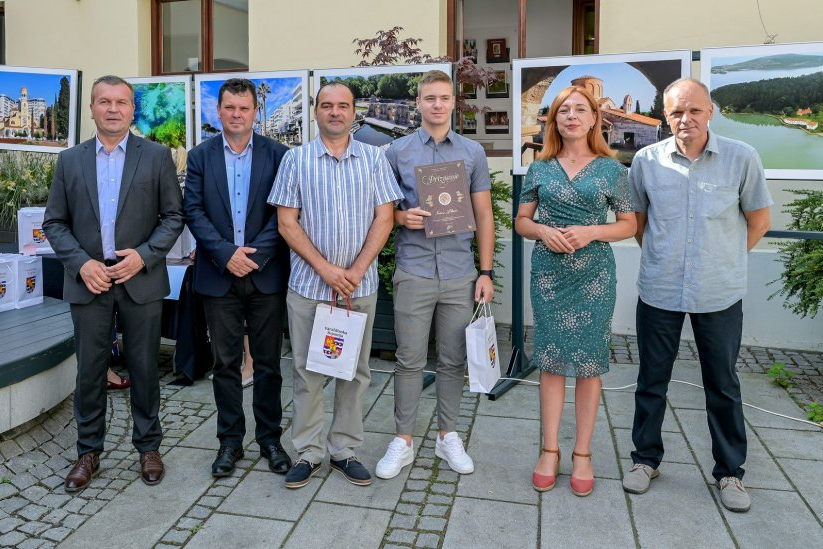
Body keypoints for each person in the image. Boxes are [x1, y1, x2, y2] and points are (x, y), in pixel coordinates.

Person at [623, 78, 772, 513]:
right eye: (675, 113)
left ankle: (730, 472)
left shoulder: (741, 159)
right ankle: (645, 460)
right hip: (660, 290)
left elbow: (758, 221)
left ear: (711, 112)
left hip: (718, 293)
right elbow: (639, 223)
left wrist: (723, 259)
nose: (684, 119)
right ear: (665, 116)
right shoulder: (646, 162)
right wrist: (665, 257)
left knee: (723, 385)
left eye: (693, 110)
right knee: (651, 381)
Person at [43, 75, 183, 493]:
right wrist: (81, 264)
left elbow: (174, 217)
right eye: (104, 101)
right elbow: (54, 222)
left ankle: (148, 447)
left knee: (143, 368)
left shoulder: (156, 157)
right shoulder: (70, 161)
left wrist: (144, 254)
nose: (113, 109)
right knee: (89, 371)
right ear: (91, 109)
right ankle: (88, 452)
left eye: (121, 101)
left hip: (139, 278)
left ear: (132, 110)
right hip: (90, 281)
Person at [269, 81, 402, 489]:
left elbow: (385, 217)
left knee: (355, 373)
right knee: (308, 372)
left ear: (353, 111)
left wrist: (358, 268)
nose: (335, 112)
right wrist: (327, 269)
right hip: (310, 287)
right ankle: (308, 451)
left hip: (358, 290)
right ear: (315, 111)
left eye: (343, 105)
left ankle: (344, 448)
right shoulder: (296, 159)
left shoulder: (375, 159)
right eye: (326, 105)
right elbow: (286, 222)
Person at [514, 86, 636, 496]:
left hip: (594, 275)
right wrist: (543, 231)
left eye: (579, 110)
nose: (570, 116)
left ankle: (582, 452)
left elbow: (628, 225)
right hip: (549, 274)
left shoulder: (611, 169)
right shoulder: (539, 167)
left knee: (589, 363)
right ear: (554, 120)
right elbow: (521, 222)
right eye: (563, 110)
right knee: (550, 360)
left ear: (593, 119)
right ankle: (549, 449)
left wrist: (591, 232)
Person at [375, 70, 494, 480]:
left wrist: (486, 271)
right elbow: (382, 212)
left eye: (444, 98)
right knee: (408, 359)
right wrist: (400, 217)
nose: (437, 104)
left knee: (452, 359)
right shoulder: (397, 153)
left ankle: (448, 436)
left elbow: (483, 215)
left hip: (461, 272)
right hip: (415, 269)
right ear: (418, 104)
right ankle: (403, 441)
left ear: (453, 103)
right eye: (429, 98)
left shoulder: (473, 153)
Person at [184, 78, 292, 478]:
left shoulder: (279, 155)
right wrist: (226, 254)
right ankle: (229, 442)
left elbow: (283, 210)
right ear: (219, 111)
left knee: (268, 364)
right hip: (218, 274)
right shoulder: (200, 156)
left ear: (254, 112)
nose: (236, 114)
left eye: (244, 108)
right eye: (229, 107)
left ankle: (270, 440)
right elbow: (193, 211)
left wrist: (256, 257)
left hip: (265, 276)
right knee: (226, 363)